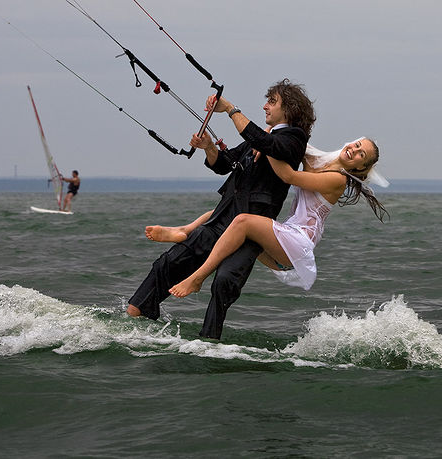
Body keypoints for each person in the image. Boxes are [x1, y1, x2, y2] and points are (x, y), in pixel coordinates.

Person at [127, 78, 316, 340]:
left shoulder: (294, 139)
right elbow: (224, 164)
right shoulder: (260, 138)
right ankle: (135, 317)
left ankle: (208, 341)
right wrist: (209, 147)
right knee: (167, 263)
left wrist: (230, 109)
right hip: (222, 218)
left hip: (250, 230)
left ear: (289, 108)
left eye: (272, 102)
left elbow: (267, 143)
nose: (265, 106)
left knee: (224, 283)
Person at [164, 138, 388, 302]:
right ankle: (185, 230)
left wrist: (265, 145)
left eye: (361, 154)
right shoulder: (319, 160)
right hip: (283, 241)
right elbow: (291, 140)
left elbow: (288, 176)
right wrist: (269, 135)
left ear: (360, 167)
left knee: (243, 221)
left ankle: (197, 278)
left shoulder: (338, 179)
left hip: (297, 244)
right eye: (357, 145)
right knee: (234, 211)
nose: (354, 150)